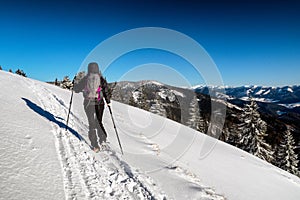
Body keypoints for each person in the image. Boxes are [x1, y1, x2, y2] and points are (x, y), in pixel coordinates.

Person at [74, 62, 111, 152]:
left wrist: (74, 84)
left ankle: (95, 145)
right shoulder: (101, 79)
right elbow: (106, 91)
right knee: (99, 121)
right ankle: (103, 139)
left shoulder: (85, 79)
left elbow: (77, 90)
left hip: (88, 103)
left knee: (91, 124)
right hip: (100, 104)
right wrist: (108, 102)